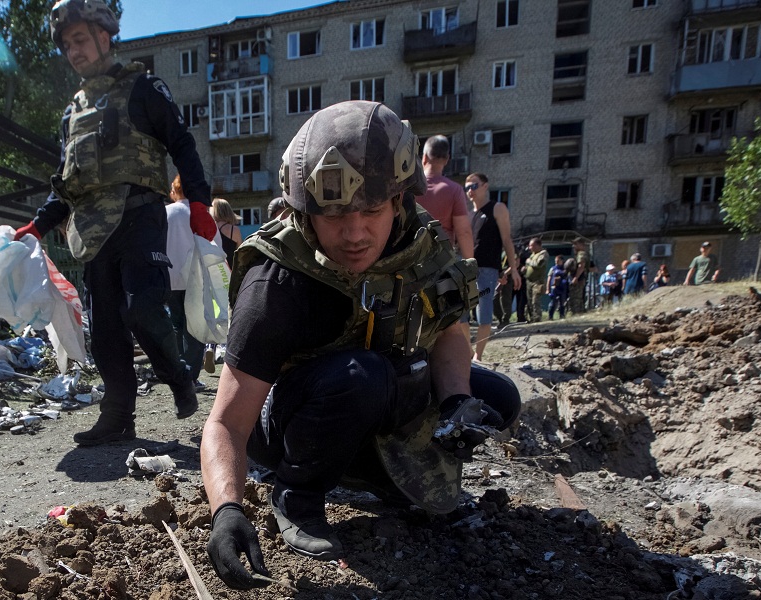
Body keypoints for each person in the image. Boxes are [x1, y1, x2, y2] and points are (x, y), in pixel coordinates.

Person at [201, 101, 521, 587]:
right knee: (360, 377)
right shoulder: (277, 279)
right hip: (291, 417)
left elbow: (447, 332)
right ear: (305, 211)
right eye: (333, 215)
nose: (354, 234)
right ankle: (296, 494)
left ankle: (380, 476)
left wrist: (457, 401)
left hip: (377, 392)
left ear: (398, 201)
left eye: (371, 211)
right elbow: (226, 421)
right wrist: (226, 510)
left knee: (497, 397)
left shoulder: (419, 244)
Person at [12, 0, 214, 445]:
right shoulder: (72, 113)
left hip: (140, 215)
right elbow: (65, 183)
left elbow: (181, 143)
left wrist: (199, 202)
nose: (74, 52)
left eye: (80, 40)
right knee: (104, 329)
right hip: (91, 230)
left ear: (104, 37)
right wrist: (38, 226)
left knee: (143, 307)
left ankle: (178, 376)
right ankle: (118, 415)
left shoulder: (143, 88)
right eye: (67, 46)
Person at [465, 173, 521, 361]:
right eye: (467, 188)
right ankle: (468, 353)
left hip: (487, 271)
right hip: (467, 271)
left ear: (485, 186)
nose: (470, 191)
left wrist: (513, 269)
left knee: (484, 314)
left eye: (474, 186)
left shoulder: (497, 208)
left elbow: (506, 240)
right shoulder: (468, 214)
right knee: (461, 316)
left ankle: (478, 356)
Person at [165, 175, 206, 390]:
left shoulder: (166, 213)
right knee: (195, 328)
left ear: (174, 190)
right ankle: (191, 375)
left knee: (176, 325)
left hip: (170, 276)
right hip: (196, 276)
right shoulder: (199, 212)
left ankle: (179, 372)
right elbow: (213, 244)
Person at [417, 135, 474, 259]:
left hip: (409, 260)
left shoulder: (407, 189)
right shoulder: (454, 190)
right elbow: (463, 232)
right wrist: (470, 265)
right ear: (447, 159)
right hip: (440, 261)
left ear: (424, 157)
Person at [522, 238, 549, 322]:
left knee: (535, 300)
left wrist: (529, 261)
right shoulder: (533, 254)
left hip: (537, 281)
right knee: (529, 301)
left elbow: (538, 264)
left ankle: (537, 317)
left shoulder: (543, 254)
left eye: (532, 245)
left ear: (538, 245)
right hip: (529, 281)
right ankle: (531, 317)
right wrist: (525, 269)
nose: (530, 247)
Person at [212, 198, 243, 270]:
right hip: (230, 270)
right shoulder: (234, 230)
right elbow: (241, 253)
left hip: (214, 270)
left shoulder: (210, 228)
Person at [568, 238, 589, 314]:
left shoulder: (581, 254)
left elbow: (581, 266)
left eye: (576, 244)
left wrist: (575, 278)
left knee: (576, 298)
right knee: (578, 298)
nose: (573, 246)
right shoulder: (580, 254)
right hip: (580, 279)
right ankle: (579, 312)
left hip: (579, 279)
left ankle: (577, 313)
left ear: (581, 245)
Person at [547, 255, 568, 320]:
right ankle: (550, 317)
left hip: (562, 288)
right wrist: (548, 289)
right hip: (554, 288)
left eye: (558, 261)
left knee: (562, 303)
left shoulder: (565, 269)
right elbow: (549, 279)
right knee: (553, 303)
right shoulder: (553, 269)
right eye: (555, 261)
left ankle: (562, 316)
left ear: (562, 261)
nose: (556, 262)